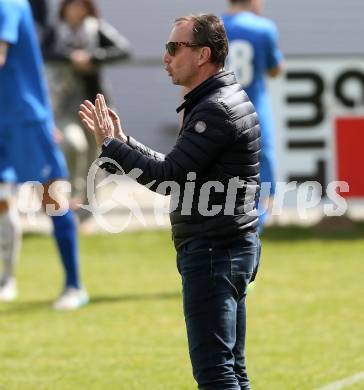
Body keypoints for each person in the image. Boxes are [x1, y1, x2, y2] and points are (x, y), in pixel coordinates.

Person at [80, 14, 261, 389]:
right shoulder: (219, 99)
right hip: (229, 248)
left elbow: (168, 179)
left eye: (173, 48)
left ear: (202, 55)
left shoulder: (214, 109)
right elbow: (176, 166)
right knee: (232, 370)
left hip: (214, 251)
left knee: (216, 374)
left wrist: (112, 148)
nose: (165, 57)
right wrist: (123, 141)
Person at [0, 0, 88, 310]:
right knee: (1, 201)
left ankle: (74, 285)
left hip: (25, 117)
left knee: (50, 199)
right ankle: (6, 279)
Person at [44, 0, 131, 205]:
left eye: (81, 5)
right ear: (64, 8)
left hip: (94, 103)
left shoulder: (97, 28)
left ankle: (86, 209)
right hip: (64, 102)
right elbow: (42, 52)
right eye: (72, 5)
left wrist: (92, 57)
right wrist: (70, 57)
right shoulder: (55, 31)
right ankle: (73, 193)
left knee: (96, 157)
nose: (76, 10)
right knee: (73, 144)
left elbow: (123, 50)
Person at [222, 0, 284, 231]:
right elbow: (274, 68)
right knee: (261, 176)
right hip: (253, 112)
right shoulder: (263, 28)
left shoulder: (211, 27)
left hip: (219, 112)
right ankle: (253, 231)